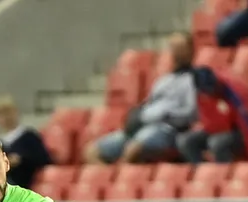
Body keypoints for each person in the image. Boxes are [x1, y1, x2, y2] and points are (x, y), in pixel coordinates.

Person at [84, 32, 196, 165]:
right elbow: (149, 104)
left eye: (180, 49)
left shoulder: (193, 80)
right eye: (173, 48)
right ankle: (112, 176)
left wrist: (164, 115)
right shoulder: (163, 81)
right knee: (92, 151)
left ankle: (122, 176)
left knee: (132, 150)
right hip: (142, 126)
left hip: (166, 130)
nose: (176, 53)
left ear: (190, 52)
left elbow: (191, 113)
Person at [178, 66, 248, 164]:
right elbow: (207, 122)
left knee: (216, 142)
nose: (210, 93)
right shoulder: (199, 93)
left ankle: (225, 171)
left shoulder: (234, 92)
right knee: (185, 141)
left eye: (211, 89)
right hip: (215, 129)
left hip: (237, 131)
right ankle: (202, 170)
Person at [0, 95, 52, 189]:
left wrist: (21, 159)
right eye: (0, 114)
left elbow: (44, 159)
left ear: (15, 112)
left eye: (8, 112)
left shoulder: (29, 136)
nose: (5, 117)